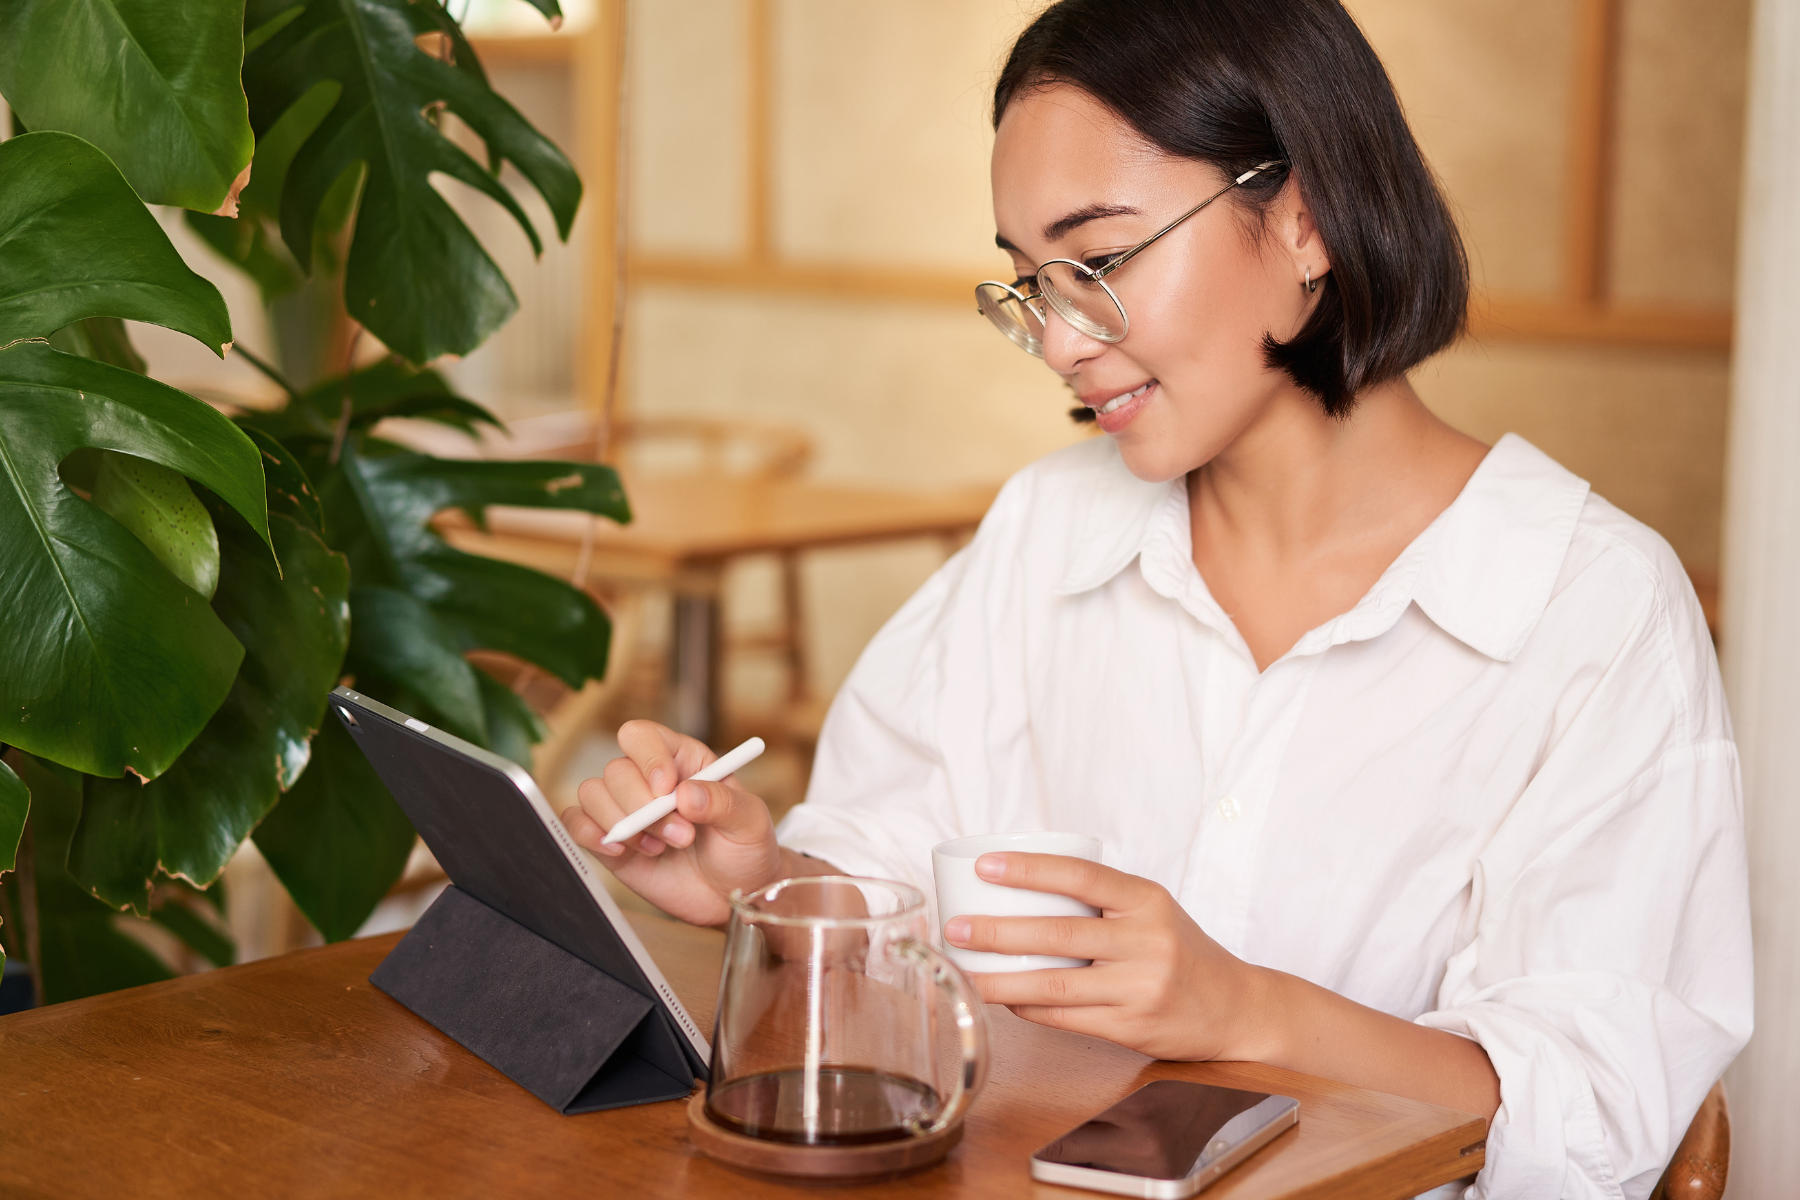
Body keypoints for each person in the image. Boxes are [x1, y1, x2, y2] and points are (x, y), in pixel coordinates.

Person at [561, 2, 1752, 1196]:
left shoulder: (1589, 605)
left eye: (1103, 259)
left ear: (1304, 220)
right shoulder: (1050, 528)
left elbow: (1596, 1107)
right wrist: (761, 885)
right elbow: (897, 870)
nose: (1063, 339)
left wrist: (1238, 1006)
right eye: (1030, 282)